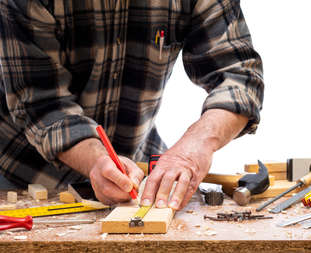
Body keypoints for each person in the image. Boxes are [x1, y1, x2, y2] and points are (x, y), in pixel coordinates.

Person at [0, 0, 264, 210]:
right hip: (27, 180)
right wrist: (96, 159)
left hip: (135, 169)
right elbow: (41, 103)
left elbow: (239, 77)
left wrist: (195, 147)